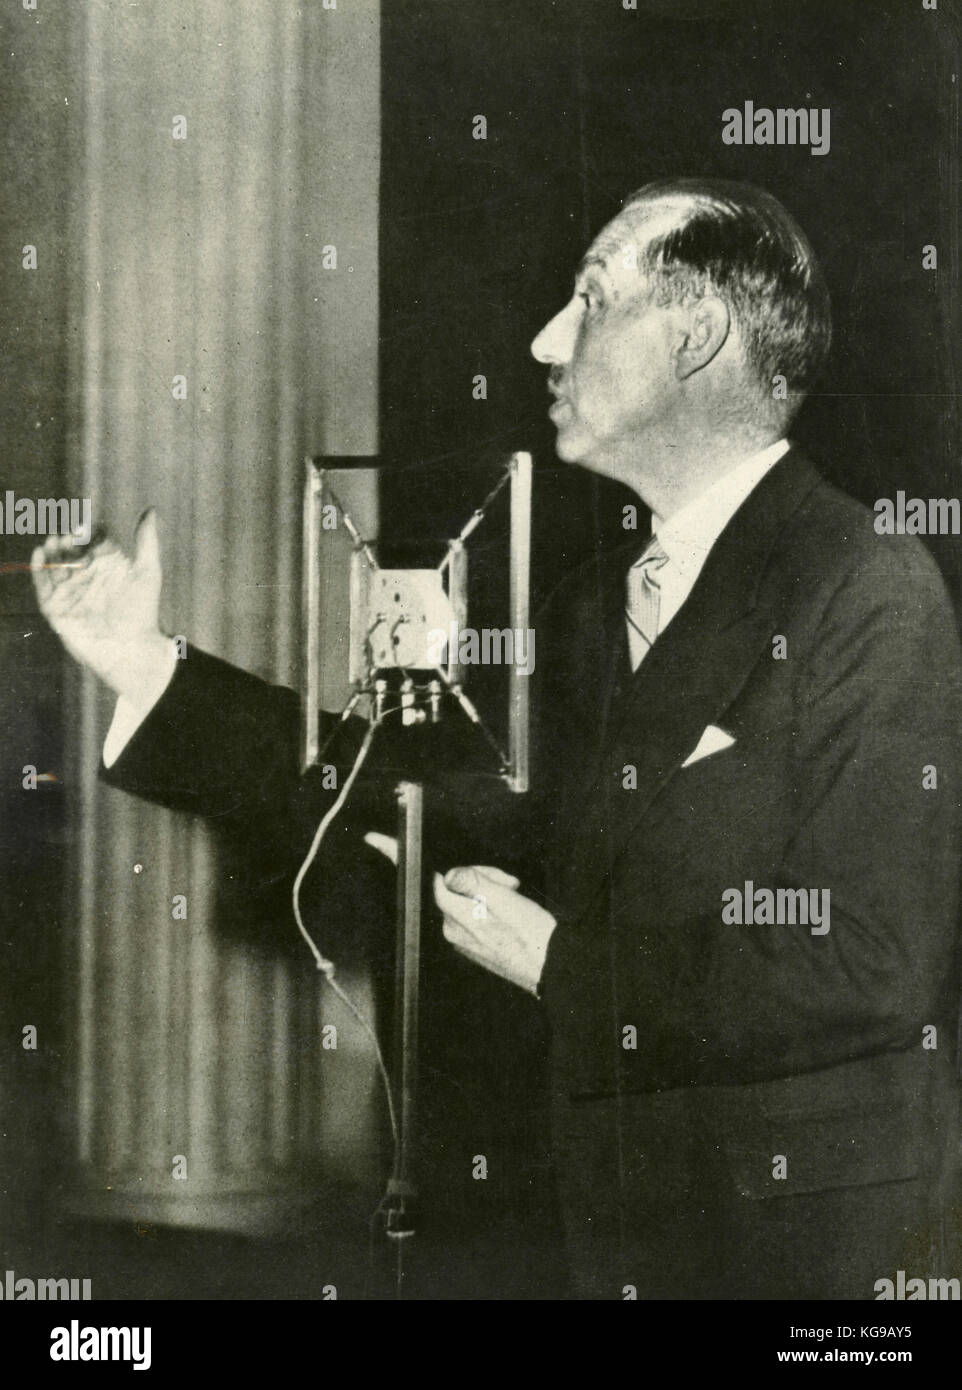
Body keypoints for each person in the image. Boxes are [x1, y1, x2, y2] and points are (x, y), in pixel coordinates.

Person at [34, 177, 962, 1300]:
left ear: (697, 334)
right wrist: (143, 667)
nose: (542, 340)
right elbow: (429, 803)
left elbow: (871, 966)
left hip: (798, 1257)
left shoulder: (864, 586)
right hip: (612, 1227)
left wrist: (561, 962)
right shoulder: (584, 605)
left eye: (587, 299)